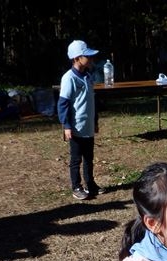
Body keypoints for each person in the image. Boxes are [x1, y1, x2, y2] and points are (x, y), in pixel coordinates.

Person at [58, 39, 108, 200]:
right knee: (76, 159)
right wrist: (66, 126)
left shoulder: (88, 76)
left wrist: (95, 121)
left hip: (87, 126)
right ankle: (76, 186)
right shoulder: (69, 78)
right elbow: (63, 104)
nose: (91, 59)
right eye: (87, 56)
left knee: (89, 158)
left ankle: (90, 184)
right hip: (75, 127)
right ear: (76, 58)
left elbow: (91, 101)